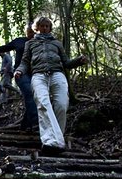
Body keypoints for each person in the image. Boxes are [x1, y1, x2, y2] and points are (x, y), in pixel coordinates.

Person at [14, 16, 88, 156]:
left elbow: (66, 62)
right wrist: (19, 70)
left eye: (47, 26)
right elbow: (25, 62)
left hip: (57, 74)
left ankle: (57, 141)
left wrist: (79, 61)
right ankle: (50, 142)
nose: (45, 28)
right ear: (37, 28)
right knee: (43, 102)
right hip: (39, 75)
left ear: (50, 28)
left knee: (61, 104)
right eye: (42, 26)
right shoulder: (30, 44)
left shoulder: (57, 43)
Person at [0, 23, 37, 130]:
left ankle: (25, 126)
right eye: (29, 31)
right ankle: (35, 121)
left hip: (35, 73)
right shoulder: (19, 41)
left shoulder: (39, 42)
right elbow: (5, 47)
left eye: (33, 31)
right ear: (26, 32)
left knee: (33, 97)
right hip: (20, 73)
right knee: (28, 93)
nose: (31, 33)